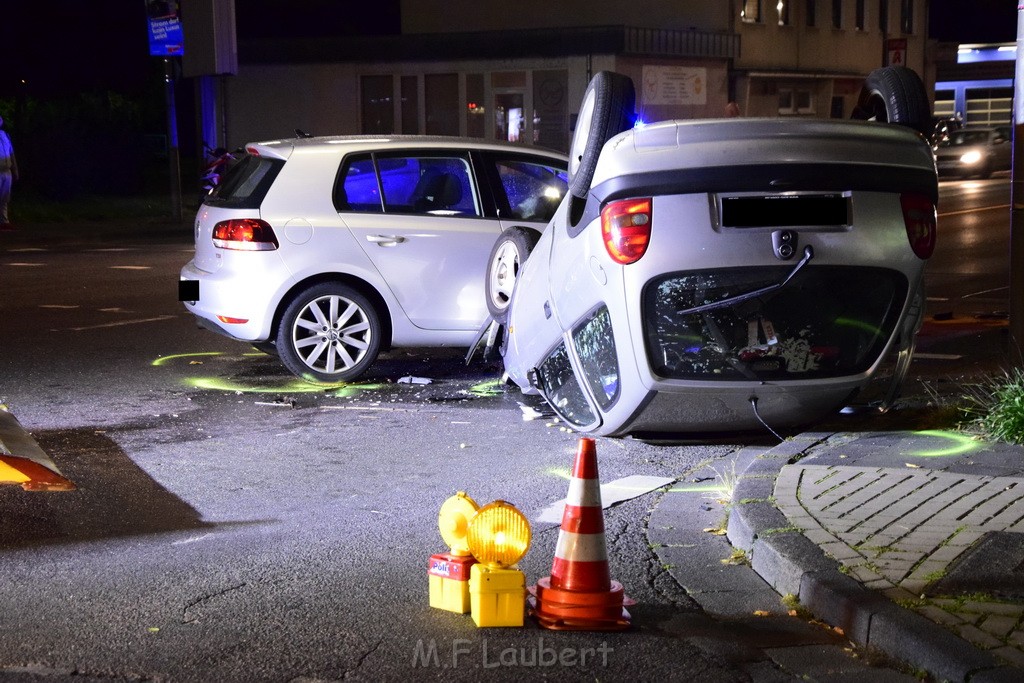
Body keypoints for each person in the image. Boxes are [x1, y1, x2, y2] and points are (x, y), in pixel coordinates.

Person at [0, 115, 18, 229]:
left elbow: (11, 153)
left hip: (7, 171)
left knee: (5, 197)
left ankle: (4, 221)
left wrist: (15, 169)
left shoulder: (5, 135)